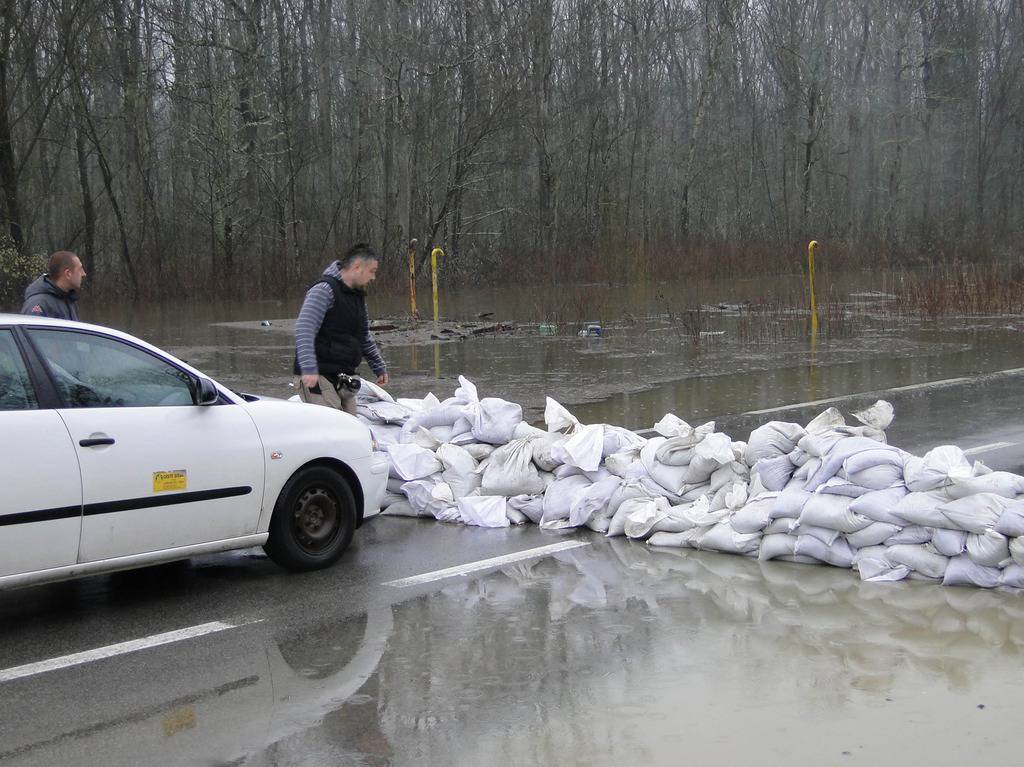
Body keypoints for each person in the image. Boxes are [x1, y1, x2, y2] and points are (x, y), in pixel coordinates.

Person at [294, 242, 389, 415]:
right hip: (318, 376)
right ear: (357, 266)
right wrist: (308, 368)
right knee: (332, 428)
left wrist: (378, 366)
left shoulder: (357, 297)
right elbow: (304, 329)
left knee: (351, 427)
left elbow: (363, 335)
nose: (373, 278)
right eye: (372, 271)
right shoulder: (324, 290)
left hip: (344, 377)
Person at [21, 251, 86, 320]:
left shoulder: (69, 300)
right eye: (80, 269)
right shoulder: (38, 305)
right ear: (68, 274)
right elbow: (30, 330)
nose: (84, 274)